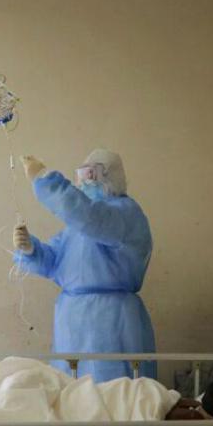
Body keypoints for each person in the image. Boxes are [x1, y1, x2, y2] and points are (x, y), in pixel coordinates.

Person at [13, 149, 155, 382]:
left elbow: (89, 217)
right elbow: (55, 261)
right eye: (83, 172)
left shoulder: (125, 214)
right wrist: (31, 250)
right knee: (71, 395)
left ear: (111, 175)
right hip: (71, 321)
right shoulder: (78, 228)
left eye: (92, 172)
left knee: (111, 394)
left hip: (110, 320)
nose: (85, 180)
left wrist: (45, 179)